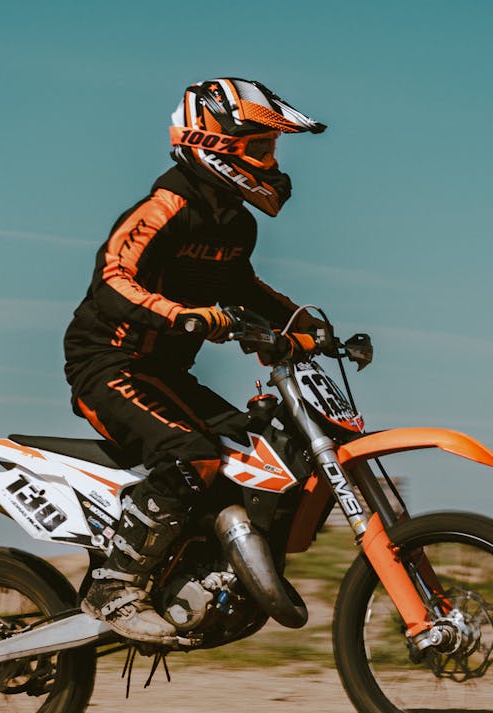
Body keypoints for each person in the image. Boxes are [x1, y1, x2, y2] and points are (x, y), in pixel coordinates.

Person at [62, 77, 328, 643]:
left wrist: (297, 321)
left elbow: (240, 284)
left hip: (163, 373)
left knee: (256, 457)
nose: (271, 162)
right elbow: (113, 279)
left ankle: (196, 573)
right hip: (107, 363)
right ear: (217, 145)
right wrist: (180, 314)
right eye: (260, 147)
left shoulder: (236, 221)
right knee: (191, 456)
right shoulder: (164, 207)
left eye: (272, 149)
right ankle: (113, 587)